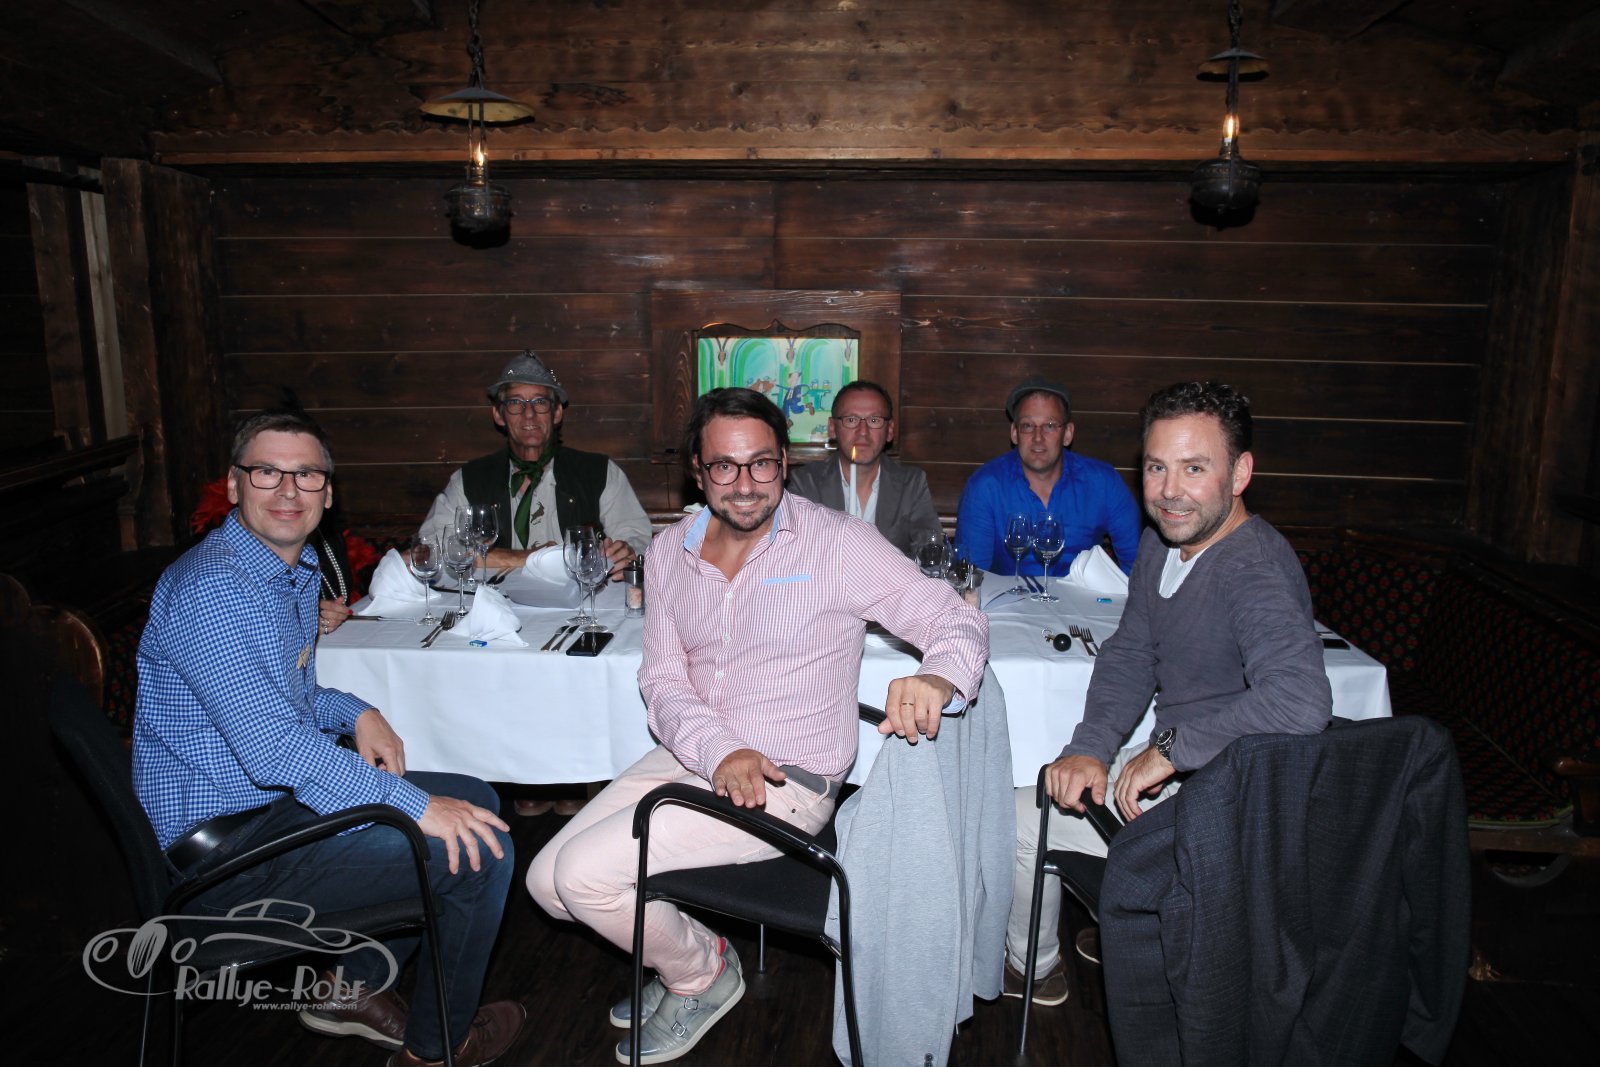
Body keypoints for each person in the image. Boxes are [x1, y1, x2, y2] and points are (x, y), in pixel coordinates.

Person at [525, 388, 989, 1065]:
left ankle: (700, 974)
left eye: (761, 463)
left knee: (583, 877)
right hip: (696, 755)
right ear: (697, 470)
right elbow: (662, 681)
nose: (744, 484)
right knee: (546, 883)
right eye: (724, 466)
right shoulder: (670, 553)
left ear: (784, 464)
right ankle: (689, 949)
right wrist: (719, 749)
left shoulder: (836, 543)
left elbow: (953, 617)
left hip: (787, 781)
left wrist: (939, 676)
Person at [132, 410, 525, 1067]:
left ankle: (352, 988)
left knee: (475, 796)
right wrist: (417, 807)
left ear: (328, 491)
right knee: (479, 850)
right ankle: (435, 1050)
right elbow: (274, 748)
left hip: (264, 812)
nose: (288, 490)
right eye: (267, 472)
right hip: (225, 860)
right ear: (233, 484)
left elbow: (288, 699)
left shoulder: (288, 568)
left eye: (306, 474)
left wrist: (357, 710)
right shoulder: (213, 590)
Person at [1002, 380, 1333, 1006]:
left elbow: (1301, 699)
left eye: (1194, 468)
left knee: (1018, 821)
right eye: (1157, 467)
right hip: (1187, 781)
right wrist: (1091, 747)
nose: (1170, 490)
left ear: (1240, 474)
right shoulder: (1163, 542)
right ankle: (1136, 922)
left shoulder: (1251, 567)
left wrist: (1169, 749)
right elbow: (1132, 652)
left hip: (1228, 808)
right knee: (1056, 778)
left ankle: (1033, 966)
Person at [418, 350, 652, 579]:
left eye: (540, 402)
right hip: (494, 601)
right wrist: (527, 558)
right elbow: (433, 549)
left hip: (580, 601)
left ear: (557, 412)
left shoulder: (599, 472)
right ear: (499, 415)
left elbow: (637, 538)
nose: (529, 413)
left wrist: (626, 551)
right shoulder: (469, 479)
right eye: (515, 402)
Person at [954, 375, 1141, 575]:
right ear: (1015, 433)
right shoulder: (985, 487)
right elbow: (970, 575)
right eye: (1027, 425)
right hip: (1007, 596)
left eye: (1050, 426)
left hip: (1083, 596)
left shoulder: (1103, 483)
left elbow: (1138, 565)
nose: (1038, 437)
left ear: (1067, 434)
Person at [784, 379, 944, 556]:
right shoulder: (806, 483)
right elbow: (793, 553)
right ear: (832, 428)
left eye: (874, 420)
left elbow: (932, 552)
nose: (862, 431)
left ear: (890, 430)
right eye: (851, 420)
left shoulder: (910, 484)